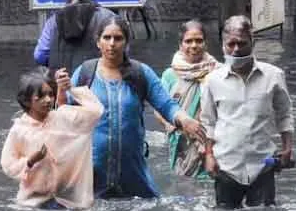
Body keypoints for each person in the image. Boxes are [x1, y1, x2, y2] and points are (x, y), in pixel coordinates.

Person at [70, 13, 205, 199]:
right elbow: (62, 114)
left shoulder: (141, 73)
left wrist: (184, 119)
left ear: (126, 42)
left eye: (118, 38)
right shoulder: (85, 73)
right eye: (106, 38)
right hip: (91, 171)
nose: (111, 44)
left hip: (133, 172)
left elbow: (166, 104)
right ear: (97, 42)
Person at [202, 15, 294, 208]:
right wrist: (208, 156)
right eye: (231, 44)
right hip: (226, 165)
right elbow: (208, 122)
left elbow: (284, 114)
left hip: (262, 165)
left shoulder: (274, 76)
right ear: (223, 45)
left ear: (253, 42)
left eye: (242, 43)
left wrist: (287, 148)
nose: (236, 49)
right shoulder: (212, 80)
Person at [0, 67, 104, 209]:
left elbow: (95, 112)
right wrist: (30, 161)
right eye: (41, 96)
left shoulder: (62, 118)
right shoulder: (19, 130)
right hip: (32, 203)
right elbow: (8, 165)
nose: (48, 100)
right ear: (27, 101)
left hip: (67, 201)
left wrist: (70, 89)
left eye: (51, 94)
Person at [159, 20, 219, 179]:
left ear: (205, 44)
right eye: (188, 41)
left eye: (199, 41)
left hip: (212, 141)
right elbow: (159, 107)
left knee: (210, 181)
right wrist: (174, 126)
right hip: (180, 142)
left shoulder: (218, 72)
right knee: (182, 184)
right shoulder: (170, 75)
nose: (194, 45)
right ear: (180, 44)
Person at [33, 0, 116, 69]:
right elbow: (120, 52)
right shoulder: (110, 18)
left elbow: (40, 56)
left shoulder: (54, 20)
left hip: (62, 81)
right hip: (97, 80)